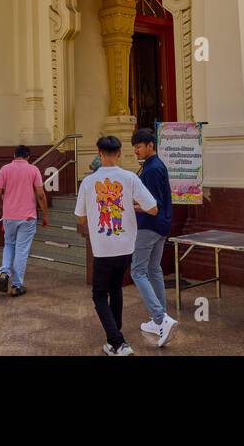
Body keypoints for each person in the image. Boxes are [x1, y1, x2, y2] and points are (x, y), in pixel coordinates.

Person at [75, 135, 157, 356]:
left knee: (99, 295)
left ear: (99, 153)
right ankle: (114, 341)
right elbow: (153, 208)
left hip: (102, 248)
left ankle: (119, 342)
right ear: (120, 153)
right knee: (115, 289)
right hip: (126, 246)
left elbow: (80, 218)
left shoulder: (88, 182)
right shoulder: (130, 178)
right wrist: (131, 206)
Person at [130, 127, 177, 347]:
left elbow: (151, 206)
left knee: (137, 270)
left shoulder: (150, 170)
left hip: (148, 226)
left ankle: (160, 318)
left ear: (150, 145)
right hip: (162, 226)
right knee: (153, 269)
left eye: (139, 146)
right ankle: (159, 319)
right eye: (134, 147)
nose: (136, 151)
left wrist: (129, 206)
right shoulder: (157, 165)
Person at [0, 145, 49, 297]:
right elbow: (41, 194)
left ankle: (4, 271)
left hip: (9, 216)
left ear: (14, 155)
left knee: (9, 244)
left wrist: (4, 201)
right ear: (28, 157)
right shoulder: (33, 170)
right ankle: (17, 285)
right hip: (28, 217)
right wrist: (45, 214)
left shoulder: (5, 169)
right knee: (21, 250)